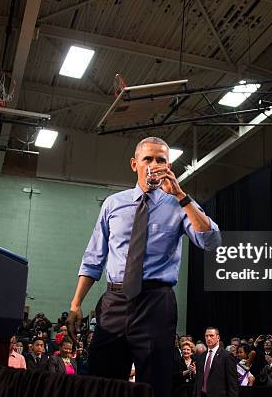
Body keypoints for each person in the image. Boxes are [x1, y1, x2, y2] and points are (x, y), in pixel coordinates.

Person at [66, 137, 221, 397]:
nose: (154, 164)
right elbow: (93, 257)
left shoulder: (180, 205)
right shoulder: (113, 204)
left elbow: (212, 241)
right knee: (101, 381)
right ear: (134, 163)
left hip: (155, 304)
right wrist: (75, 303)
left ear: (169, 166)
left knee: (155, 384)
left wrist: (181, 196)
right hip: (115, 301)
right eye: (148, 158)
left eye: (161, 159)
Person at [194, 327, 237, 397]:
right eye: (206, 336)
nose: (208, 338)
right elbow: (198, 379)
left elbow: (232, 383)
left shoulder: (227, 356)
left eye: (211, 336)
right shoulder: (202, 356)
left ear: (218, 338)